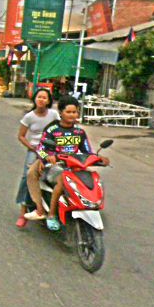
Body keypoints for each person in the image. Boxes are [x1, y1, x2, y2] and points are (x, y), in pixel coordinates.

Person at [25, 96, 108, 230]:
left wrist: (99, 158)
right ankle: (48, 213)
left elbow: (87, 151)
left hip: (73, 164)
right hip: (53, 164)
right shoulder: (52, 130)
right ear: (61, 113)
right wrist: (47, 157)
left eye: (74, 112)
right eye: (68, 112)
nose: (72, 115)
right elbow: (41, 148)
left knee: (92, 179)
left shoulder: (79, 132)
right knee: (41, 176)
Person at [14, 88, 58, 228]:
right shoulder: (29, 117)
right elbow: (21, 136)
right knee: (26, 176)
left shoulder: (53, 114)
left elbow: (60, 130)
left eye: (44, 97)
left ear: (49, 101)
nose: (41, 100)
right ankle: (23, 212)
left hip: (52, 149)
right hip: (35, 149)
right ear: (34, 99)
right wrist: (32, 147)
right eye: (39, 97)